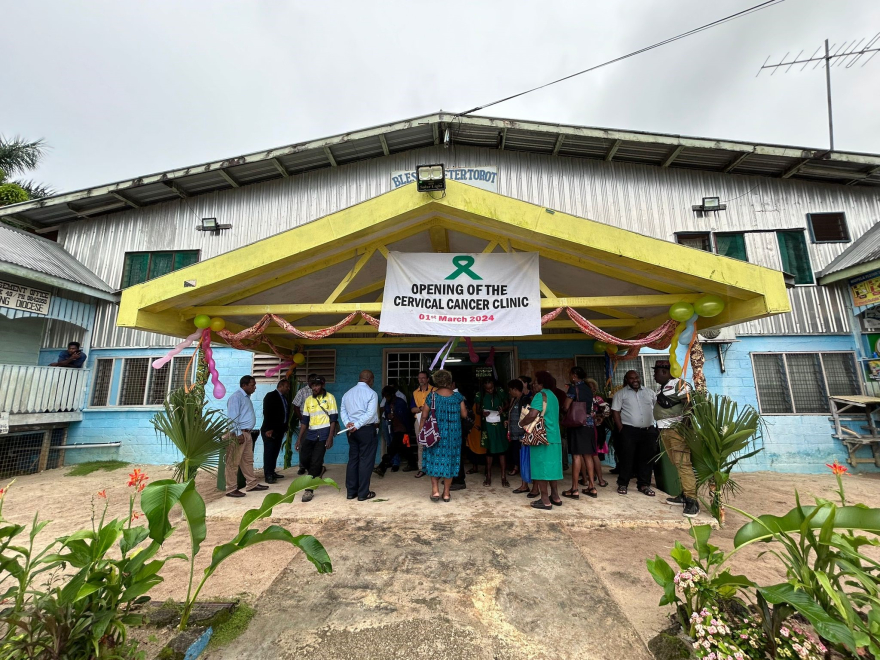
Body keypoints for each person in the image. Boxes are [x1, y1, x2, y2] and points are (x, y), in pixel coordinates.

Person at [653, 360, 699, 518]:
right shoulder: (663, 387)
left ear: (665, 372)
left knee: (683, 463)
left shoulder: (679, 385)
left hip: (676, 430)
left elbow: (689, 404)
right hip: (665, 429)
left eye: (656, 372)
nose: (654, 375)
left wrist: (684, 427)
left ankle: (692, 500)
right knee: (675, 462)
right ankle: (684, 494)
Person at [417, 369, 469, 503]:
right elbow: (464, 415)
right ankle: (446, 493)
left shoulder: (432, 396)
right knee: (450, 462)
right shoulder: (458, 397)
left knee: (434, 461)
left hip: (435, 435)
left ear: (436, 381)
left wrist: (422, 433)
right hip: (453, 436)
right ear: (449, 381)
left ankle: (435, 491)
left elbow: (424, 416)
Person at [519, 371, 563, 509]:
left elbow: (532, 415)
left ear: (541, 384)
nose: (533, 385)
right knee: (552, 468)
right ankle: (555, 496)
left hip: (541, 437)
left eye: (535, 382)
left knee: (540, 468)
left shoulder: (540, 396)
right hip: (554, 437)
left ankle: (545, 500)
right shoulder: (553, 396)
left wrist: (521, 423)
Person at [611, 370, 658, 497]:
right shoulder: (621, 394)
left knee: (646, 458)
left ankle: (644, 485)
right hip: (629, 430)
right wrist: (621, 428)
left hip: (648, 431)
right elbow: (615, 411)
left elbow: (656, 407)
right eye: (631, 378)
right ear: (627, 380)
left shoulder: (650, 393)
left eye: (636, 377)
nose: (635, 380)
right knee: (627, 457)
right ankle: (623, 483)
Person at [224, 375, 268, 498]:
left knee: (247, 460)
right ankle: (231, 488)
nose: (255, 387)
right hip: (238, 434)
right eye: (252, 385)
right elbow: (232, 417)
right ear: (244, 385)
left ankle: (251, 484)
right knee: (233, 462)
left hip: (246, 433)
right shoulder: (236, 397)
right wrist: (238, 434)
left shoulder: (246, 397)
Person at [295, 376, 337, 502]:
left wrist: (330, 437)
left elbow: (333, 420)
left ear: (322, 385)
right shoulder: (308, 400)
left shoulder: (330, 398)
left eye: (317, 385)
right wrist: (299, 439)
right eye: (313, 386)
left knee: (316, 461)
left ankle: (309, 490)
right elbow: (305, 421)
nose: (315, 388)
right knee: (304, 458)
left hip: (324, 434)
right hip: (311, 433)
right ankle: (317, 471)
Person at [340, 370, 380, 501]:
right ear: (370, 379)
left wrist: (348, 424)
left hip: (351, 431)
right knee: (365, 461)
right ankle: (363, 493)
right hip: (365, 430)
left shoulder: (347, 393)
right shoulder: (371, 393)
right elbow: (370, 414)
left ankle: (351, 492)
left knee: (353, 460)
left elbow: (343, 411)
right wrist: (357, 425)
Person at [562, 367, 597, 499]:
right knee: (588, 456)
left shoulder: (573, 388)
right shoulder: (588, 388)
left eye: (571, 374)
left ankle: (575, 489)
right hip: (589, 425)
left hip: (577, 425)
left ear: (575, 375)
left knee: (577, 456)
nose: (570, 376)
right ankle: (592, 487)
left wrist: (564, 410)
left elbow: (566, 406)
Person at [376, 385, 416, 476]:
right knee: (405, 448)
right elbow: (386, 414)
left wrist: (408, 431)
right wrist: (388, 416)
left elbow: (406, 418)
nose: (386, 398)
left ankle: (382, 467)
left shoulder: (400, 402)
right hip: (394, 428)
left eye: (387, 396)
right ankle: (413, 463)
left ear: (392, 394)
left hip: (402, 429)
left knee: (392, 448)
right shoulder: (387, 402)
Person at [475, 377, 509, 487]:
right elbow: (477, 410)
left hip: (500, 425)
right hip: (487, 425)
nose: (490, 391)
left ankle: (503, 477)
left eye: (491, 388)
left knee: (502, 450)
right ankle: (488, 476)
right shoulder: (479, 395)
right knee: (489, 450)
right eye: (487, 389)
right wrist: (482, 413)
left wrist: (503, 409)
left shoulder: (500, 392)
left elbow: (508, 404)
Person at [260, 379, 290, 484]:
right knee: (269, 452)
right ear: (281, 386)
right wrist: (269, 429)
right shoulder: (271, 396)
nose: (288, 389)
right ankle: (268, 475)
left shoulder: (284, 398)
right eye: (287, 386)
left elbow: (284, 413)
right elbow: (267, 412)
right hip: (270, 430)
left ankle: (272, 471)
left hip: (279, 430)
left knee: (275, 452)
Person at [506, 379, 533, 495]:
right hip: (515, 435)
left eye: (510, 390)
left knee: (524, 460)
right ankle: (524, 484)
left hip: (522, 436)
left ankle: (525, 485)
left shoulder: (524, 400)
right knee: (520, 459)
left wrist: (525, 433)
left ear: (515, 389)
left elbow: (527, 417)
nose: (509, 392)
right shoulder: (515, 400)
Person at [409, 371, 436, 478]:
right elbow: (412, 409)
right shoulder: (415, 393)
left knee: (433, 443)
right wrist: (421, 408)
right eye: (419, 378)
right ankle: (421, 468)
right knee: (421, 444)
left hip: (432, 420)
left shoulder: (434, 390)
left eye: (423, 378)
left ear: (428, 379)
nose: (421, 380)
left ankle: (433, 467)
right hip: (419, 420)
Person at [585, 378, 611, 490]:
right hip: (594, 428)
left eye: (594, 387)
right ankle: (597, 478)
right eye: (591, 387)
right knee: (592, 455)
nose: (594, 389)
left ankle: (595, 479)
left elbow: (606, 412)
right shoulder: (597, 399)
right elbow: (607, 411)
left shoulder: (591, 399)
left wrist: (597, 418)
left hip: (592, 429)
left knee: (592, 455)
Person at [292, 373, 318, 475]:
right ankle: (302, 466)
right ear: (308, 381)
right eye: (312, 380)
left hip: (318, 424)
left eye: (315, 380)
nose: (313, 382)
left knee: (317, 445)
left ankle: (315, 466)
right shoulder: (302, 392)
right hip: (305, 425)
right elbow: (296, 406)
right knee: (303, 445)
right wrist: (303, 419)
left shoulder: (320, 392)